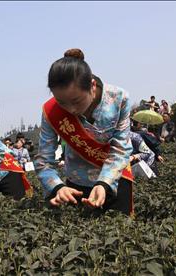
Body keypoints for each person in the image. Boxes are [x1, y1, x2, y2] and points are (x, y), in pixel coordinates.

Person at [34, 48, 134, 216]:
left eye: (76, 101)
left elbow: (121, 149)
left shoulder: (119, 99)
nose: (70, 109)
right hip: (76, 184)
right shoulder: (50, 111)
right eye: (61, 103)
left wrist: (104, 184)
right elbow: (44, 160)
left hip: (114, 179)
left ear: (92, 86)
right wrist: (58, 187)